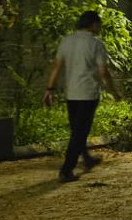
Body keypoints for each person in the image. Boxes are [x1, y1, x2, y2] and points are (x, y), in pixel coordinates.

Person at [44, 10, 121, 182]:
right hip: (88, 93)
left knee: (77, 129)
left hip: (71, 93)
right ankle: (66, 169)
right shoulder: (96, 44)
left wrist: (49, 89)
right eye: (99, 24)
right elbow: (103, 71)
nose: (100, 27)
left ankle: (86, 157)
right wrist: (113, 91)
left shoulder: (67, 41)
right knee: (80, 132)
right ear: (93, 24)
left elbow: (57, 66)